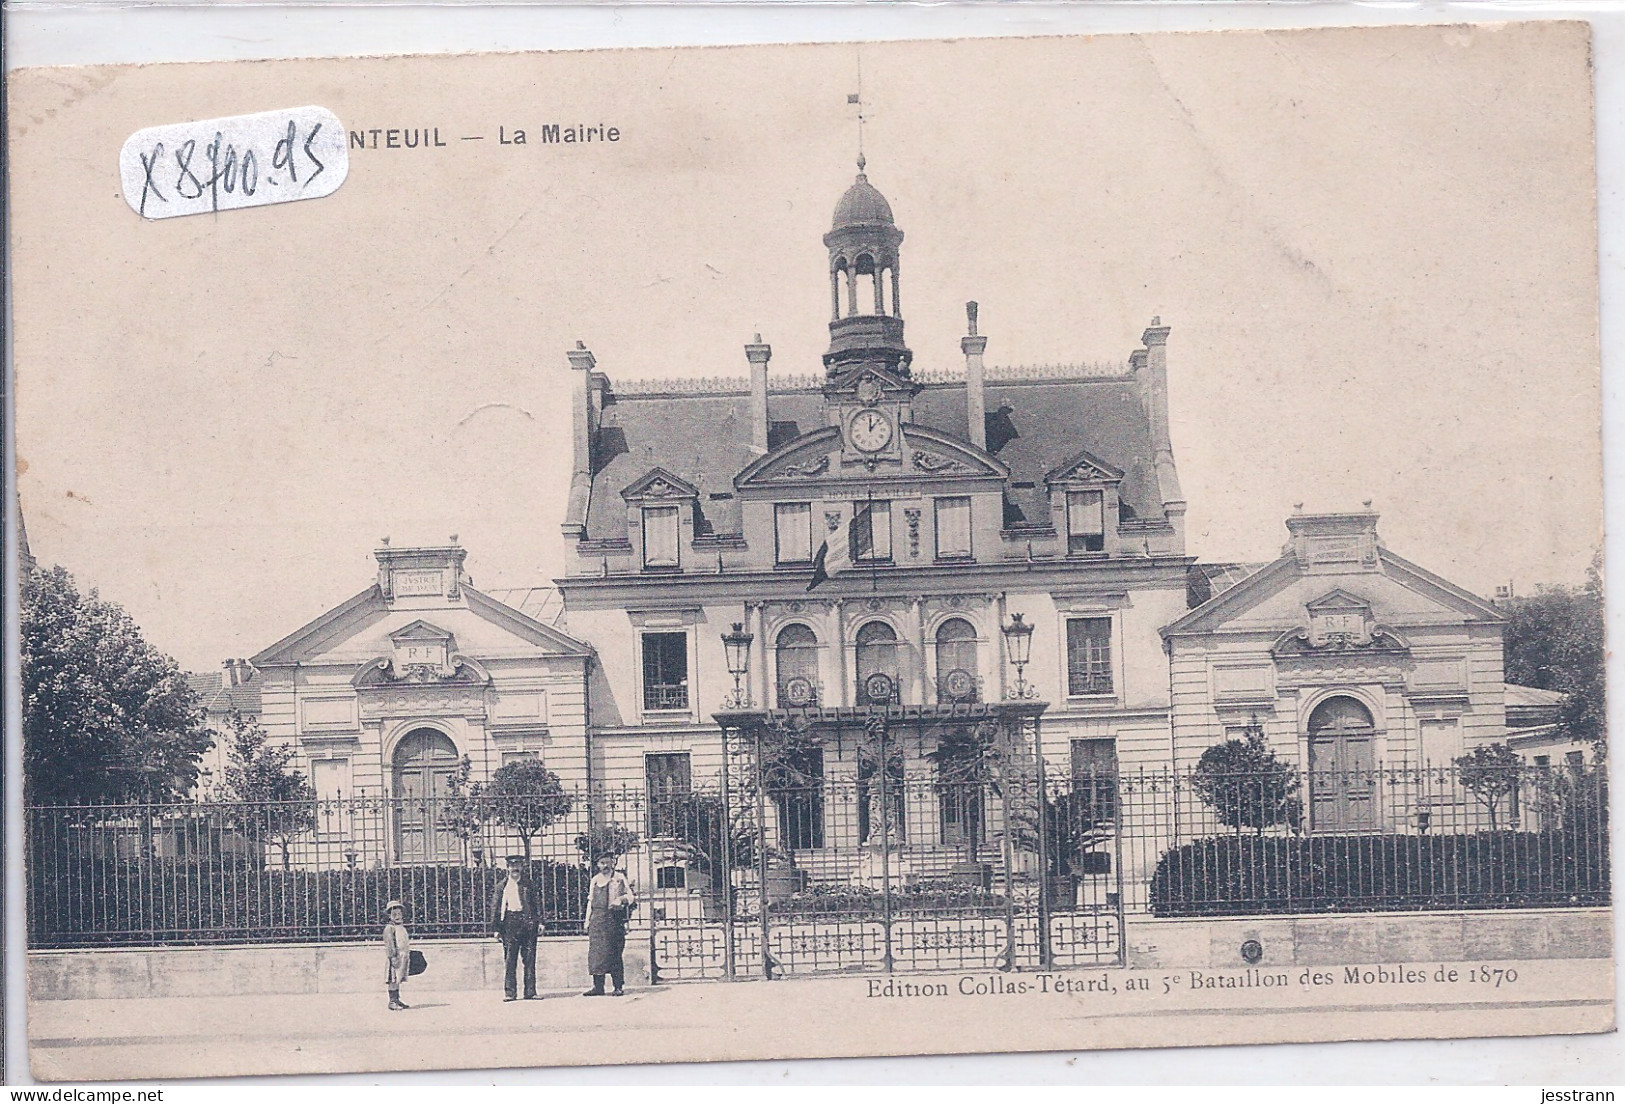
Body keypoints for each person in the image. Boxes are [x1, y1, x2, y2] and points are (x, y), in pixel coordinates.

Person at [488, 854, 542, 1002]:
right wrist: (496, 929)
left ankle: (530, 991)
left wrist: (540, 922)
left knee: (529, 959)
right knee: (510, 959)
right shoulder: (502, 886)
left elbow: (536, 904)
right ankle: (510, 993)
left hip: (527, 922)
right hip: (509, 923)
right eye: (512, 866)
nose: (515, 869)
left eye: (518, 865)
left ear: (522, 867)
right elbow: (495, 907)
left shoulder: (528, 884)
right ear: (507, 868)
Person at [582, 852, 635, 996]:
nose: (605, 866)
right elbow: (590, 902)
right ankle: (598, 987)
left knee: (614, 953)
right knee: (596, 955)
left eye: (607, 862)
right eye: (601, 863)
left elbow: (630, 897)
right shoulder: (595, 880)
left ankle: (618, 986)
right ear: (597, 865)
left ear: (612, 863)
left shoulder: (619, 878)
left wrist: (621, 900)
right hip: (597, 921)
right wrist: (587, 921)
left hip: (613, 920)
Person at [383, 900, 411, 1011]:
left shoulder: (401, 927)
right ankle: (392, 1001)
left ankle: (397, 999)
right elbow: (390, 944)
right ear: (389, 916)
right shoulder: (390, 928)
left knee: (398, 979)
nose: (397, 916)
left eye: (399, 914)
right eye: (394, 914)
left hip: (403, 956)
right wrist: (393, 957)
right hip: (395, 957)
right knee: (393, 979)